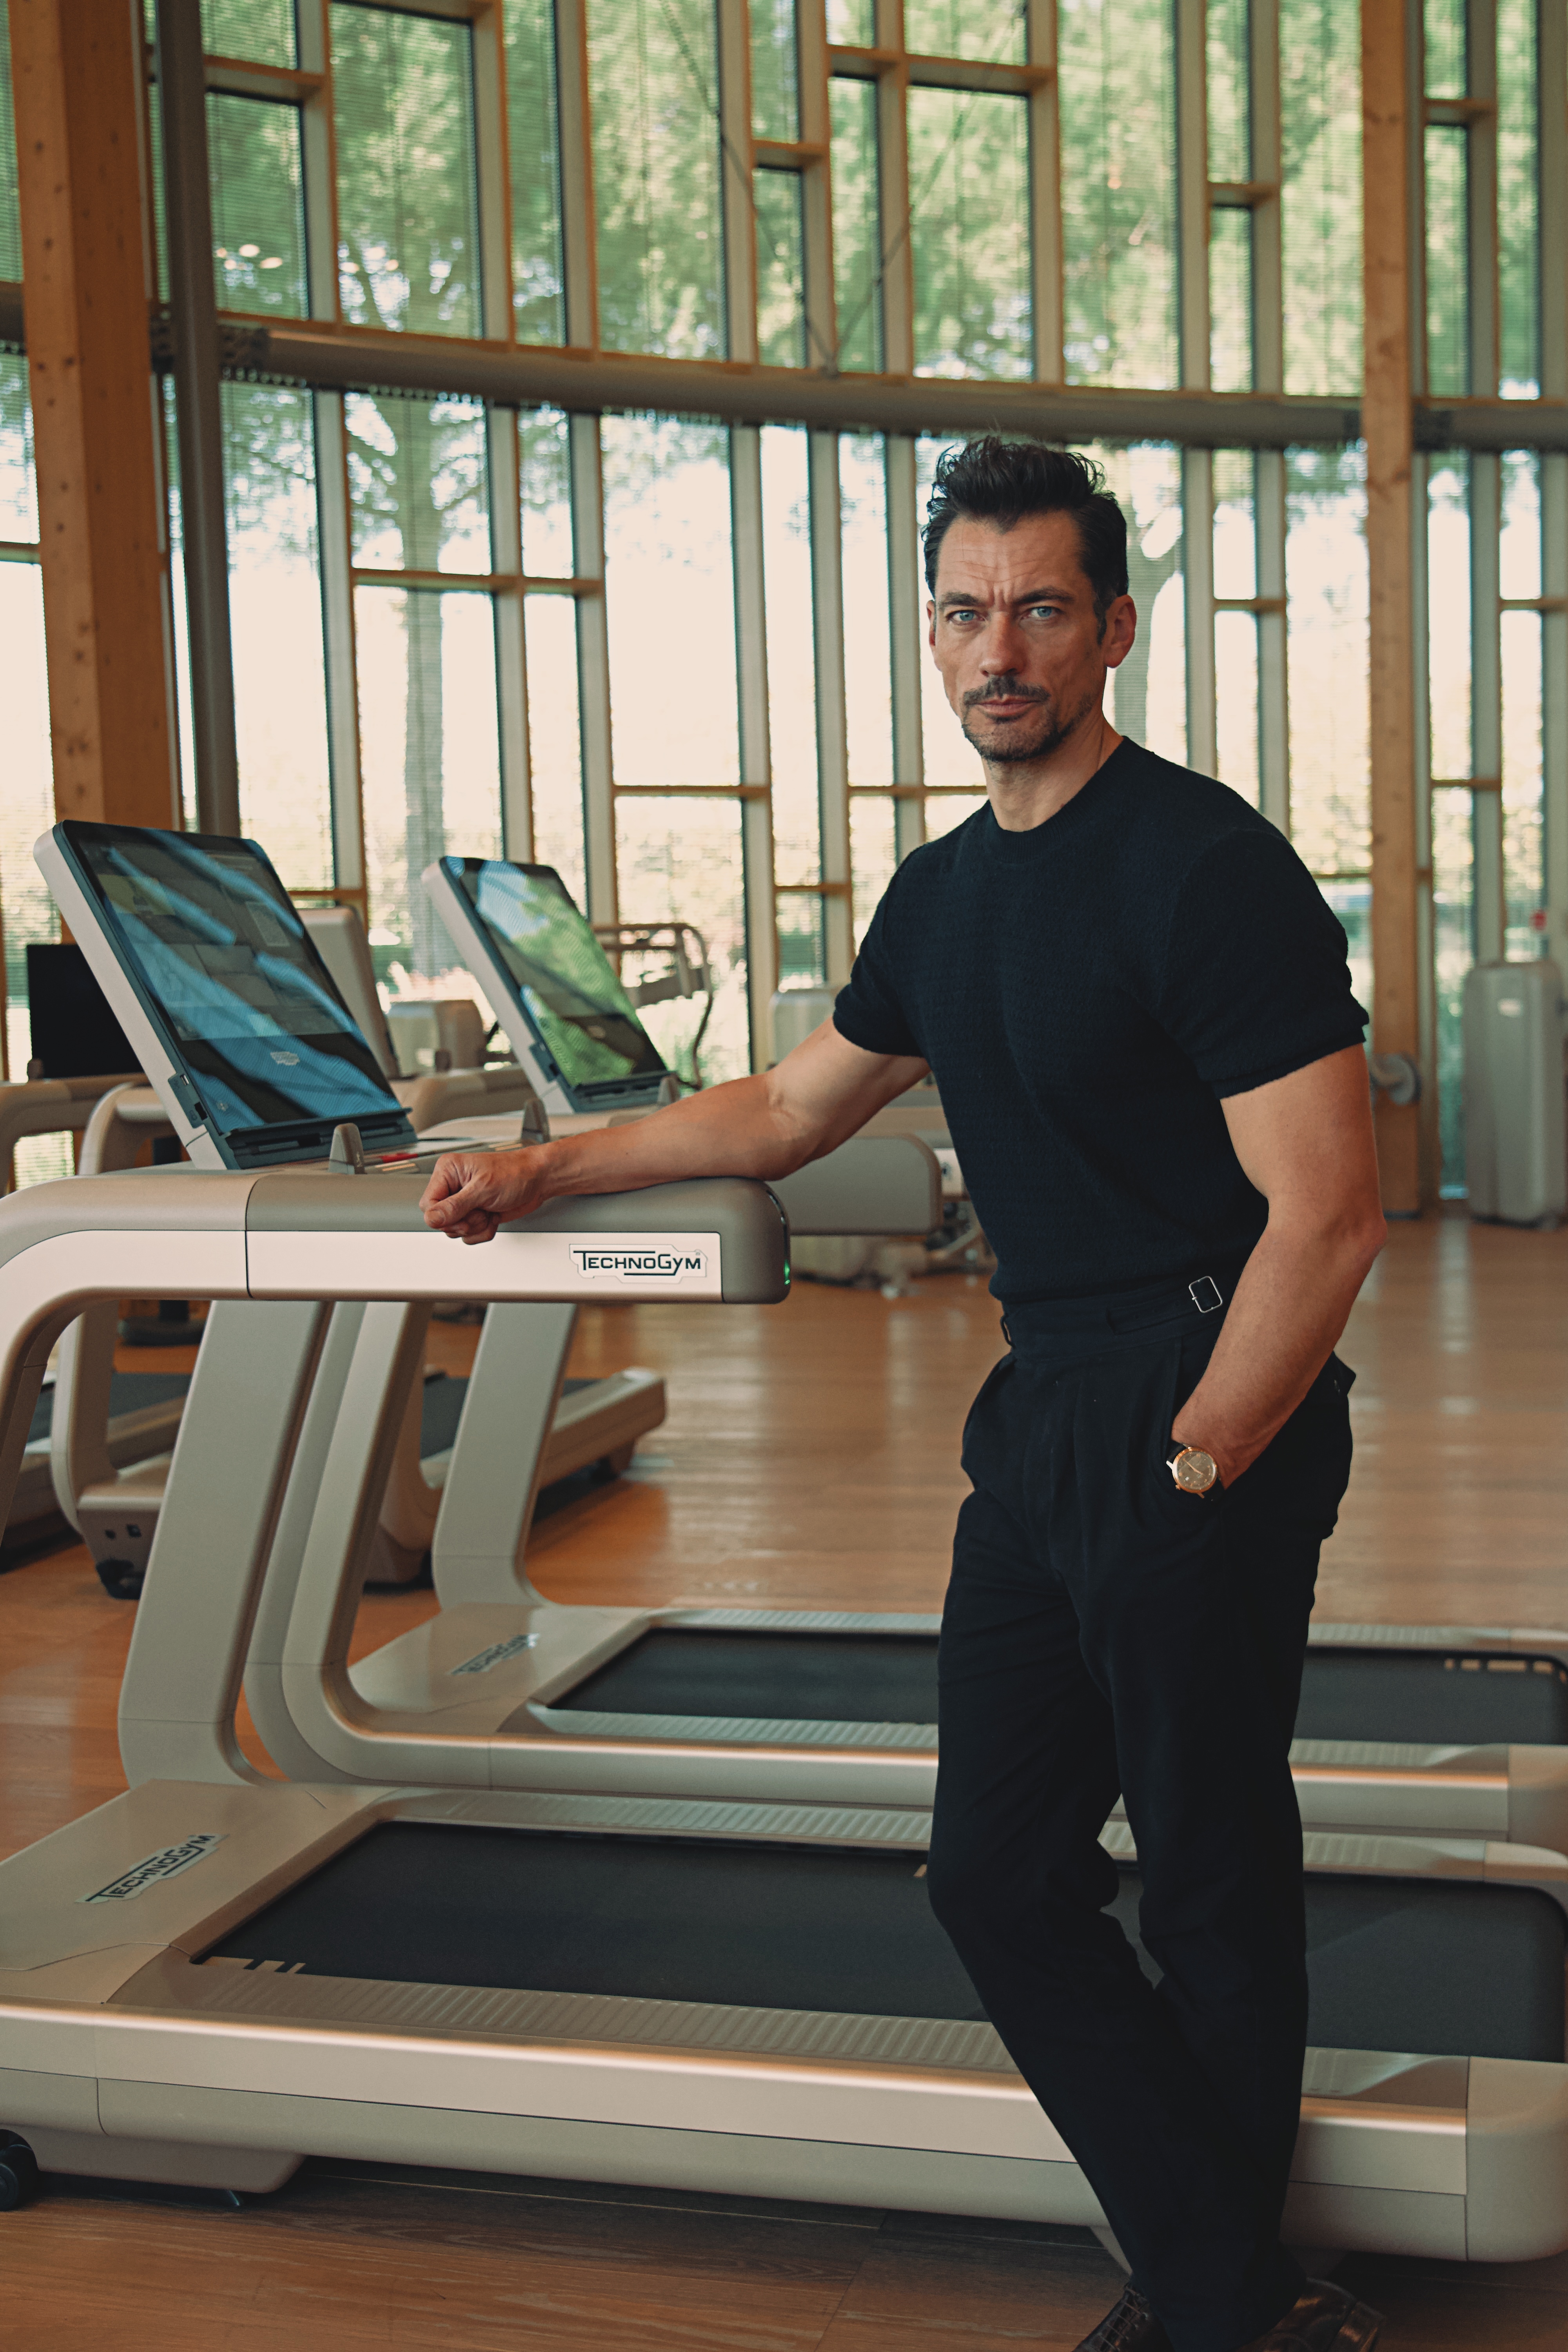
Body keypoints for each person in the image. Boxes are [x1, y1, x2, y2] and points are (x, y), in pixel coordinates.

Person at [419, 438, 1387, 2352]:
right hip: (1039, 1417)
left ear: (1110, 630)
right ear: (929, 634)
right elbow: (787, 1109)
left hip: (1198, 1399)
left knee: (1207, 1878)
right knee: (993, 1876)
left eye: (1039, 607)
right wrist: (542, 1164)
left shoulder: (1208, 866)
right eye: (963, 611)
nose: (997, 647)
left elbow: (1331, 1215)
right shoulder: (943, 897)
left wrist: (1200, 1453)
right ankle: (1233, 2290)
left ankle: (1210, 2308)